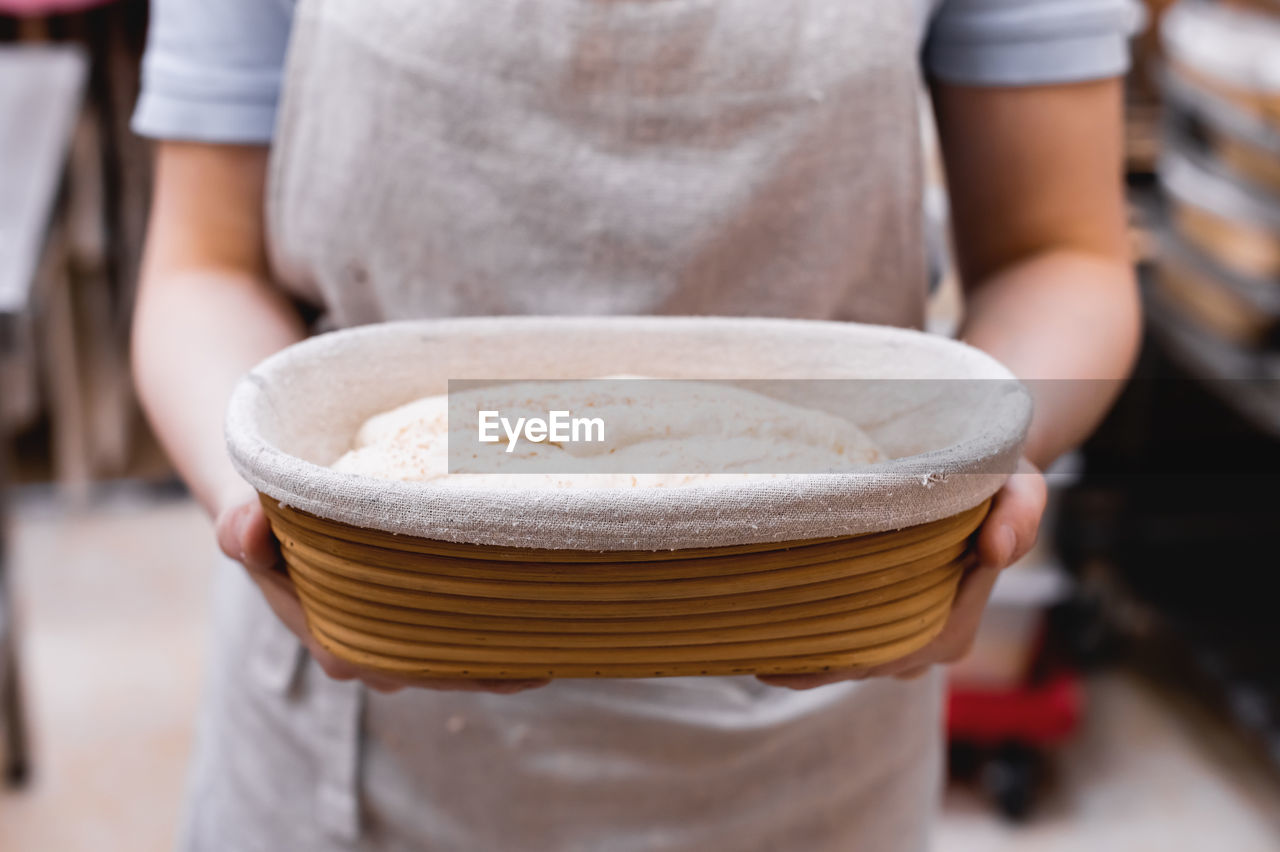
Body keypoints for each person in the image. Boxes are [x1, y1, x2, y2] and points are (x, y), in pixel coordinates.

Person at [130, 1, 1142, 849]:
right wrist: (276, 499)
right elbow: (200, 267)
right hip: (360, 740)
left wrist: (959, 478)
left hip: (816, 709)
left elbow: (1060, 254)